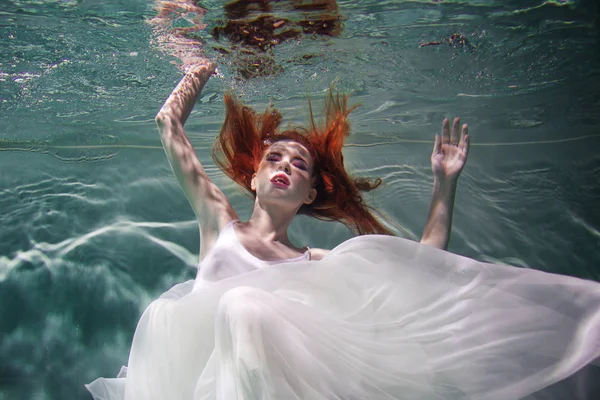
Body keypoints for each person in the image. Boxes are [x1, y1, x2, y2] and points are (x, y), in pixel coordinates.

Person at [86, 61, 600, 400]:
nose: (285, 165)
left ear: (310, 193)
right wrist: (193, 72)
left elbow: (423, 269)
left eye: (301, 164)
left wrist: (444, 183)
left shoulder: (315, 265)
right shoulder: (218, 220)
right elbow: (166, 126)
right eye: (274, 158)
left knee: (245, 308)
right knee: (227, 307)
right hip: (193, 385)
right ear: (254, 176)